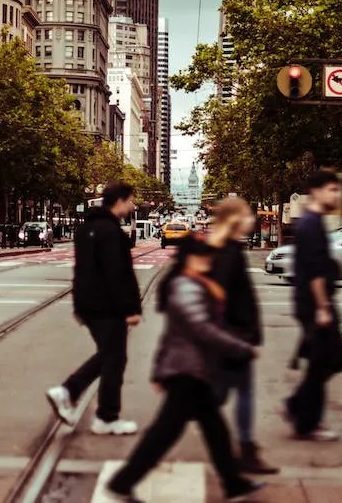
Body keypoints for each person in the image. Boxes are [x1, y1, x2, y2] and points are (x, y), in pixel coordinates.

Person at [103, 235, 264, 502]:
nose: (208, 259)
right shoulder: (187, 288)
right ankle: (122, 483)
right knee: (165, 433)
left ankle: (233, 484)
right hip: (187, 373)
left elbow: (170, 336)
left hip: (192, 371)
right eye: (202, 255)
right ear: (189, 259)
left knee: (213, 430)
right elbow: (202, 329)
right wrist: (241, 348)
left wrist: (158, 370)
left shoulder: (194, 284)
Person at [46, 182, 142, 436]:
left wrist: (79, 306)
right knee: (114, 358)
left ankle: (71, 392)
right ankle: (104, 415)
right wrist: (131, 308)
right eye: (130, 200)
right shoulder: (112, 233)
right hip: (108, 307)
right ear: (119, 201)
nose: (133, 205)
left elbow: (81, 271)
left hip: (89, 305)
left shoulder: (85, 229)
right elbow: (118, 275)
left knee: (110, 355)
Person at [209, 197, 277, 475]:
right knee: (230, 394)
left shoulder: (228, 250)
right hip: (234, 337)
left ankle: (245, 450)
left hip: (234, 336)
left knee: (220, 394)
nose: (252, 218)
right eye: (248, 214)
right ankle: (245, 451)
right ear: (235, 219)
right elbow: (223, 299)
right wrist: (240, 337)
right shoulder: (228, 253)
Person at [285, 169, 342, 441]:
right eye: (332, 189)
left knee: (326, 360)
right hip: (314, 304)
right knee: (326, 360)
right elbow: (315, 271)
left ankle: (298, 408)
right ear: (317, 191)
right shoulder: (310, 224)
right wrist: (322, 307)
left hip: (314, 303)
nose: (337, 195)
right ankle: (305, 420)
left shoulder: (314, 222)